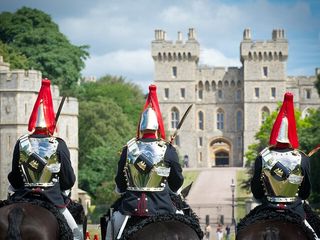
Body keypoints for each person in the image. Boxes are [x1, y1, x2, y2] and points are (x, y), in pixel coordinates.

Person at [7, 79, 83, 240]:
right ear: (50, 122)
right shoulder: (58, 144)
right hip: (52, 199)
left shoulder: (21, 143)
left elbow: (14, 176)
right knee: (76, 234)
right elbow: (68, 180)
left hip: (22, 196)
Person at [106, 84, 184, 239]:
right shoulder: (167, 149)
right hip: (164, 206)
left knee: (111, 226)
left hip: (131, 208)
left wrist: (122, 189)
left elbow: (120, 182)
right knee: (186, 221)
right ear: (157, 128)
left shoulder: (129, 148)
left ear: (141, 127)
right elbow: (177, 180)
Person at [250, 92, 317, 237]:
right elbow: (305, 192)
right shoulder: (302, 158)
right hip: (295, 209)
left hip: (267, 207)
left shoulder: (263, 157)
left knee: (243, 227)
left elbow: (256, 190)